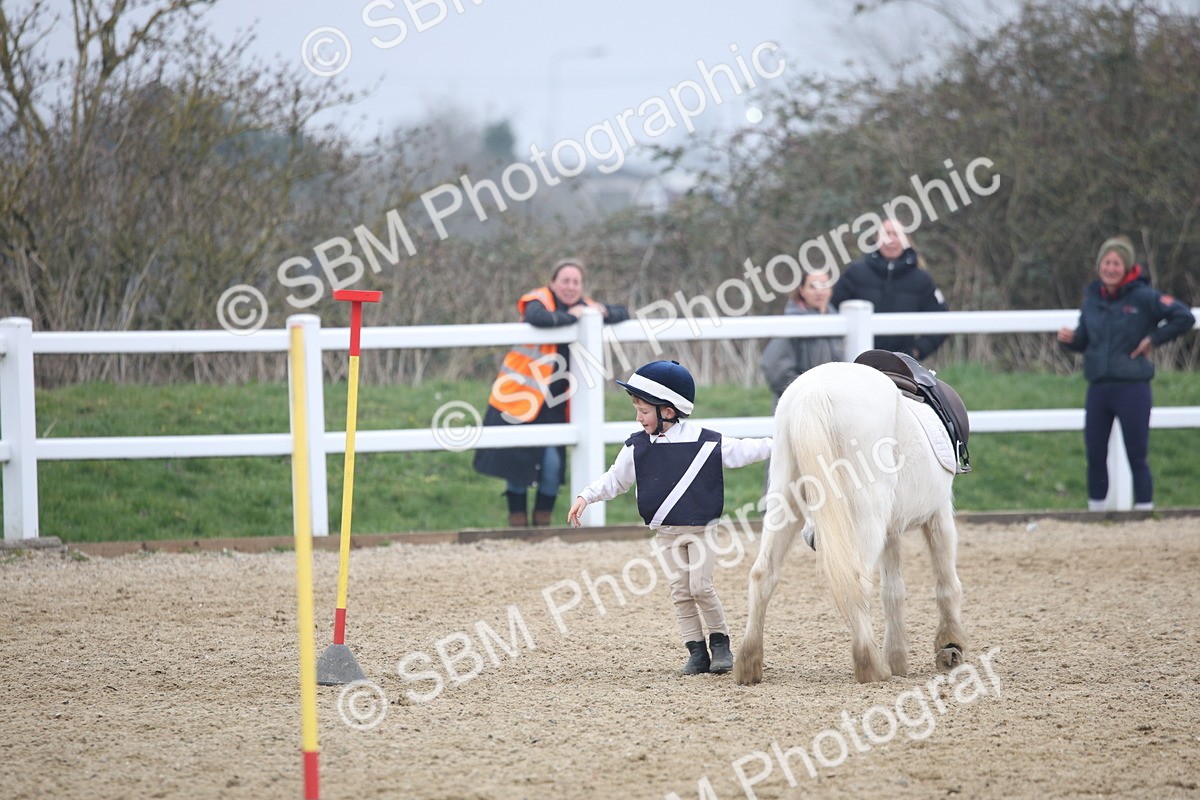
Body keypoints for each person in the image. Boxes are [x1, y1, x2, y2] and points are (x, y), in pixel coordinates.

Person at [567, 360, 772, 676]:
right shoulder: (636, 447)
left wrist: (780, 445)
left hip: (701, 529)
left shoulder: (705, 440)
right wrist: (586, 496)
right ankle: (696, 651)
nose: (638, 417)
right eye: (637, 409)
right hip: (664, 532)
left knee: (701, 587)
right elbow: (615, 479)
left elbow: (745, 451)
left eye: (644, 411)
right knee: (680, 591)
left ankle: (720, 644)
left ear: (668, 410)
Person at [474, 258, 629, 527]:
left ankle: (543, 523)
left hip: (556, 402)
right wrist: (575, 318)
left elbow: (622, 313)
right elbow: (538, 318)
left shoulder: (587, 308)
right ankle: (518, 524)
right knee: (516, 463)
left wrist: (598, 311)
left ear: (582, 286)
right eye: (565, 281)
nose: (570, 287)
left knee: (552, 465)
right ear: (552, 282)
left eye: (576, 282)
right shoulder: (539, 299)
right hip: (520, 396)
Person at [1056, 235, 1194, 511]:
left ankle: (1144, 510)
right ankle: (1097, 512)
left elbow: (1184, 317)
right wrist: (1069, 340)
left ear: (1127, 266)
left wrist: (1153, 340)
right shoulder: (1092, 298)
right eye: (1106, 262)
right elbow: (1085, 340)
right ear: (1099, 266)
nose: (1110, 268)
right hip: (1098, 387)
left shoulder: (1143, 296)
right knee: (1095, 454)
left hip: (1132, 387)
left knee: (1136, 455)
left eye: (1116, 263)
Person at [831, 218, 949, 360]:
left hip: (903, 368)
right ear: (877, 238)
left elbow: (942, 320)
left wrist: (917, 351)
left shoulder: (921, 279)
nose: (891, 240)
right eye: (886, 234)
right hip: (859, 363)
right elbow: (832, 310)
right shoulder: (855, 273)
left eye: (896, 234)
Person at [760, 268, 843, 406]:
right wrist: (807, 391)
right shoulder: (791, 323)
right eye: (813, 286)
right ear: (802, 290)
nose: (819, 291)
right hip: (799, 407)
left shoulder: (841, 324)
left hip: (833, 406)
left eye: (824, 285)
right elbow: (774, 367)